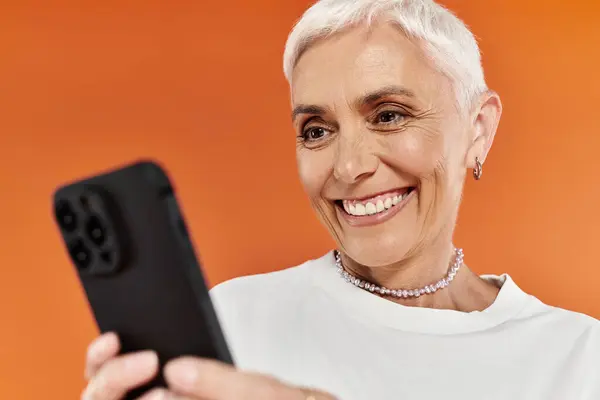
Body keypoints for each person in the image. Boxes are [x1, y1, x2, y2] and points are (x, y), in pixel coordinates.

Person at [81, 0, 600, 399]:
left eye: (389, 115)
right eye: (316, 130)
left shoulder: (578, 359)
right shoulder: (233, 322)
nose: (350, 167)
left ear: (478, 129)